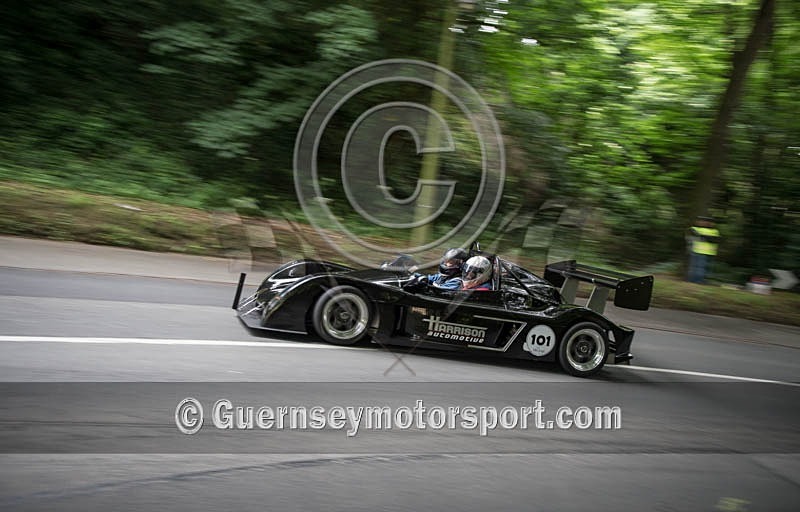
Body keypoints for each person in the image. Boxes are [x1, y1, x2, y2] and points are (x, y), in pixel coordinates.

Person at [687, 216, 720, 284]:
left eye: (706, 222)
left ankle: (699, 281)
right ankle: (697, 281)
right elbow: (691, 238)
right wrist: (705, 238)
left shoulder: (715, 231)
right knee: (698, 267)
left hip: (710, 253)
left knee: (705, 268)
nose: (703, 223)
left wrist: (701, 236)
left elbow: (715, 240)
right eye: (701, 221)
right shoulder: (694, 229)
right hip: (698, 251)